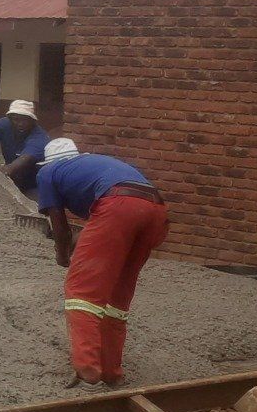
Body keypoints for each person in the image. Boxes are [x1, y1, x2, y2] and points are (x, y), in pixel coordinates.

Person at [36, 137, 169, 389]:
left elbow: (60, 228)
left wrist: (62, 256)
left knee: (81, 292)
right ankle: (111, 372)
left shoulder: (48, 172)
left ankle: (88, 373)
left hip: (119, 206)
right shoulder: (91, 166)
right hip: (156, 211)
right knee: (117, 297)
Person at [0, 99, 50, 202]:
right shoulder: (3, 124)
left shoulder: (39, 138)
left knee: (34, 210)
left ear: (33, 120)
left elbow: (23, 161)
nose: (20, 123)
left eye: (25, 120)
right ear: (10, 119)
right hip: (14, 181)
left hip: (35, 184)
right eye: (16, 119)